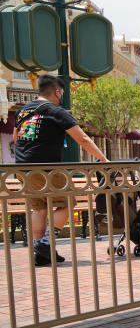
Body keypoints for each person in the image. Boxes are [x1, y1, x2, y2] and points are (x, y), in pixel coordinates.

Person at [14, 74, 108, 266]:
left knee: (39, 208)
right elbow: (83, 139)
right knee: (67, 203)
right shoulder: (56, 111)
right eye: (62, 92)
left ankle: (39, 251)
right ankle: (46, 244)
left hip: (21, 168)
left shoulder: (23, 111)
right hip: (46, 169)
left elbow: (16, 139)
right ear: (57, 92)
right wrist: (103, 159)